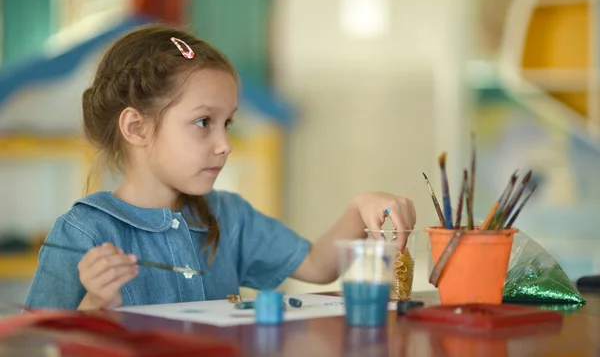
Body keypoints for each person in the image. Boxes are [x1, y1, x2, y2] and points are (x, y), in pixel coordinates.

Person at [24, 25, 416, 310]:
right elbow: (33, 346)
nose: (225, 145)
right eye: (203, 122)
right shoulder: (82, 233)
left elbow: (317, 265)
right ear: (136, 127)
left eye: (227, 123)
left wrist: (358, 208)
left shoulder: (230, 216)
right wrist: (96, 303)